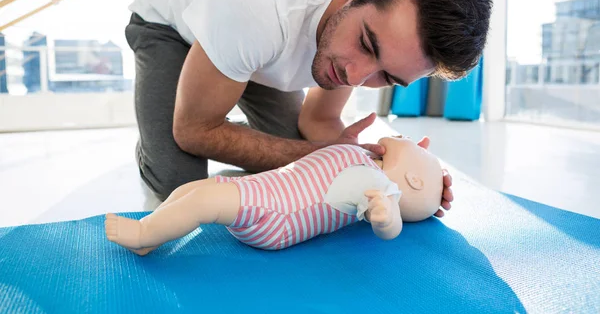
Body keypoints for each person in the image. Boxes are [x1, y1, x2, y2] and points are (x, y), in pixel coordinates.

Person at [125, 0, 491, 214]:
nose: (355, 77)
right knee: (178, 184)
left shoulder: (361, 31)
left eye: (387, 77)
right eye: (366, 44)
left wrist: (398, 178)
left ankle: (220, 113)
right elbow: (194, 133)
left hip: (254, 48)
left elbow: (317, 124)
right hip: (173, 27)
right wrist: (324, 156)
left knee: (303, 168)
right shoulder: (256, 4)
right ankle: (158, 138)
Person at [105, 135, 445, 254]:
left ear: (414, 180)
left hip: (276, 215)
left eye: (421, 150)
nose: (417, 142)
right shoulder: (366, 159)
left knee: (201, 203)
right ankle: (155, 234)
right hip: (261, 189)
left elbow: (391, 226)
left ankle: (142, 233)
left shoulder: (382, 188)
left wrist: (385, 217)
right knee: (191, 189)